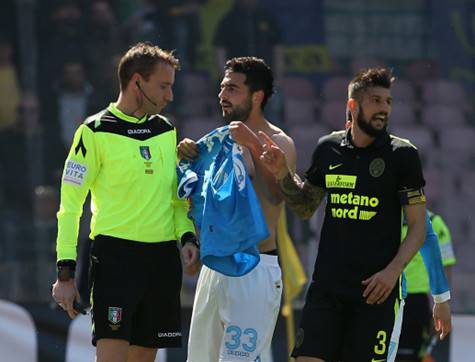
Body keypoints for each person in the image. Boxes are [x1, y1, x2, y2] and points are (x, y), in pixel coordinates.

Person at [260, 68, 430, 362]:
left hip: (374, 294)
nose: (384, 109)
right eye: (376, 100)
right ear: (353, 106)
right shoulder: (328, 149)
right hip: (327, 289)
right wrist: (282, 174)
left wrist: (392, 273)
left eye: (388, 102)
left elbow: (417, 228)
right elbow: (304, 208)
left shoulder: (403, 156)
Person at [51, 42, 199, 362]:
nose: (170, 96)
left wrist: (186, 236)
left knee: (145, 356)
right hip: (115, 258)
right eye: (163, 86)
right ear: (136, 82)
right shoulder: (93, 131)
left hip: (161, 259)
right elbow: (70, 206)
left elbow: (174, 200)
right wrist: (65, 273)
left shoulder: (166, 131)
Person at [178, 56, 296, 362]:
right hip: (215, 266)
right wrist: (190, 157)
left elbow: (279, 195)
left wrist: (255, 145)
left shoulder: (281, 142)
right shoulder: (216, 143)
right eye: (222, 88)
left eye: (232, 88)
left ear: (256, 96)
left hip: (256, 268)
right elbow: (200, 202)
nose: (222, 95)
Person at [397, 211, 456, 362]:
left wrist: (441, 303)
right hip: (390, 294)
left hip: (418, 300)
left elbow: (447, 265)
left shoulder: (435, 223)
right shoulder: (389, 218)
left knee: (411, 354)